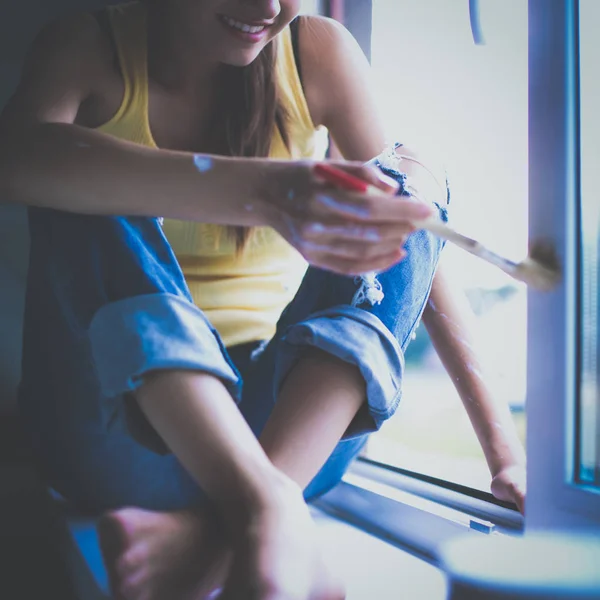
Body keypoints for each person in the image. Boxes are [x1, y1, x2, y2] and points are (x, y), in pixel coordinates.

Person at [0, 1, 526, 598]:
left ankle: (246, 520)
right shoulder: (86, 46)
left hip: (287, 442)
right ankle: (273, 508)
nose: (269, 6)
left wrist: (505, 455)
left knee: (408, 179)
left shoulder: (316, 53)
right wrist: (264, 192)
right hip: (116, 433)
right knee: (71, 175)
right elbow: (12, 158)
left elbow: (414, 254)